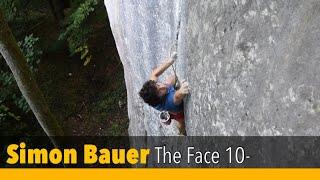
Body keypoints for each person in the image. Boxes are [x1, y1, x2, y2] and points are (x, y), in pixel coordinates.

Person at [139, 52, 189, 135]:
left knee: (172, 78)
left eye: (158, 84)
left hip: (168, 102)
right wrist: (181, 90)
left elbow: (154, 74)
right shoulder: (168, 102)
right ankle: (181, 132)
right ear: (158, 98)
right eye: (160, 91)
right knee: (181, 122)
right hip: (177, 111)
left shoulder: (153, 90)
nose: (162, 86)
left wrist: (170, 61)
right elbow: (176, 97)